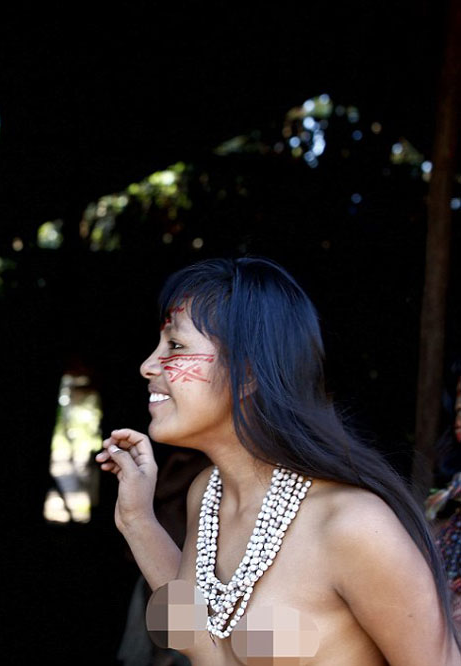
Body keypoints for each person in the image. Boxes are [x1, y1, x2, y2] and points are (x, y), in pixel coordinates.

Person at [96, 257, 461, 664]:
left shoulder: (353, 526)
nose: (148, 366)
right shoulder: (208, 495)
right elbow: (200, 646)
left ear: (248, 372)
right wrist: (137, 520)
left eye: (176, 347)